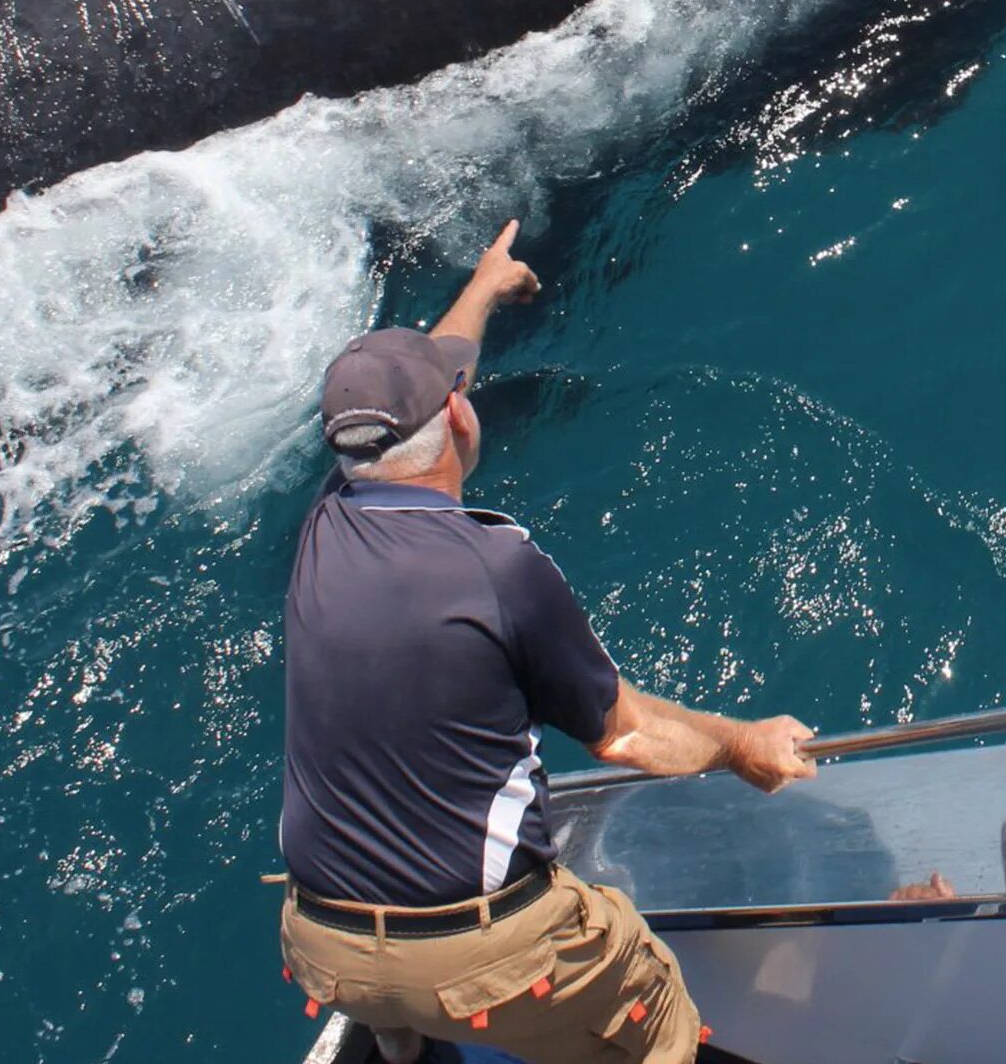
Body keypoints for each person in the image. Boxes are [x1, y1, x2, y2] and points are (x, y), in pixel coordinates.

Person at [277, 221, 816, 1064]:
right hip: (477, 955)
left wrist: (487, 286)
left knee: (395, 1005)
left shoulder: (324, 521)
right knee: (656, 1014)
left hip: (322, 943)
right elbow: (629, 735)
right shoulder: (496, 565)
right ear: (458, 413)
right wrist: (747, 746)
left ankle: (400, 1049)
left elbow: (436, 365)